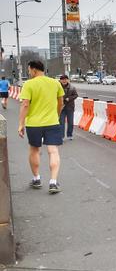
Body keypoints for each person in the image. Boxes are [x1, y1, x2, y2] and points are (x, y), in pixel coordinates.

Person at [18, 60, 64, 194]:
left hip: (34, 124)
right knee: (53, 151)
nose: (28, 72)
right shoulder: (55, 83)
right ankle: (53, 182)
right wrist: (56, 115)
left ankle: (37, 179)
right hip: (52, 122)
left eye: (29, 70)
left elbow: (25, 105)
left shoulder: (29, 84)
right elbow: (60, 102)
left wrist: (21, 124)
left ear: (33, 70)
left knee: (34, 150)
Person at [59, 74, 78, 140]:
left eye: (65, 79)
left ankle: (69, 135)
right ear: (60, 80)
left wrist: (69, 98)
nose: (64, 80)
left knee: (70, 122)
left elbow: (75, 95)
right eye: (62, 79)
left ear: (67, 80)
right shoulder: (58, 87)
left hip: (70, 107)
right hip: (61, 107)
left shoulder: (72, 87)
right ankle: (62, 136)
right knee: (61, 123)